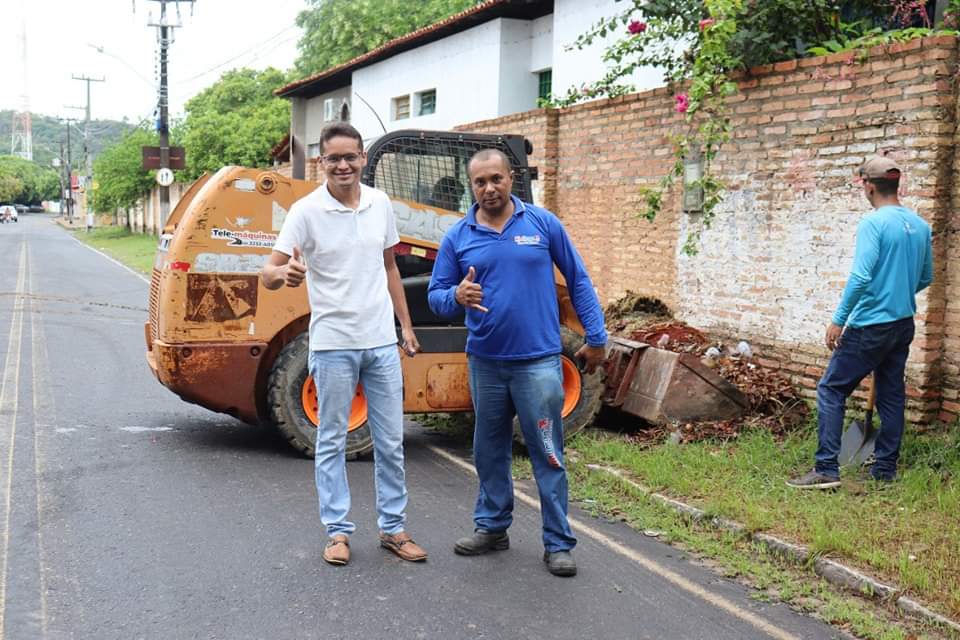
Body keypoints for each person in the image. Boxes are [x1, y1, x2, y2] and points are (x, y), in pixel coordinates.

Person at [427, 148, 608, 577]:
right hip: (486, 363)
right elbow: (436, 296)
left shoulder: (543, 224)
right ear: (471, 186)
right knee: (489, 451)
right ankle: (492, 527)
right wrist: (456, 296)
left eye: (496, 179)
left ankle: (558, 543)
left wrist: (597, 337)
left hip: (538, 363)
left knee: (547, 451)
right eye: (480, 182)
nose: (489, 188)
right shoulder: (459, 236)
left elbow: (578, 279)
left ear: (511, 178)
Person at [261, 122, 428, 565]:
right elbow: (269, 273)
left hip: (381, 343)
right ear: (322, 162)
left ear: (363, 158)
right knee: (332, 440)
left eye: (350, 157)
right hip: (333, 344)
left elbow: (390, 267)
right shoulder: (305, 212)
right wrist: (285, 274)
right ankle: (337, 532)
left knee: (390, 441)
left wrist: (405, 325)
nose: (343, 165)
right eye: (333, 158)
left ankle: (393, 529)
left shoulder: (380, 203)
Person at [788, 156, 933, 490]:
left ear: (868, 186)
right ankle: (884, 469)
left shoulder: (874, 223)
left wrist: (838, 320)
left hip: (870, 325)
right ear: (897, 185)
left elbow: (860, 277)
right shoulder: (920, 226)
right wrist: (896, 291)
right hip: (902, 324)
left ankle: (826, 469)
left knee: (831, 389)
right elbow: (925, 277)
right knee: (891, 395)